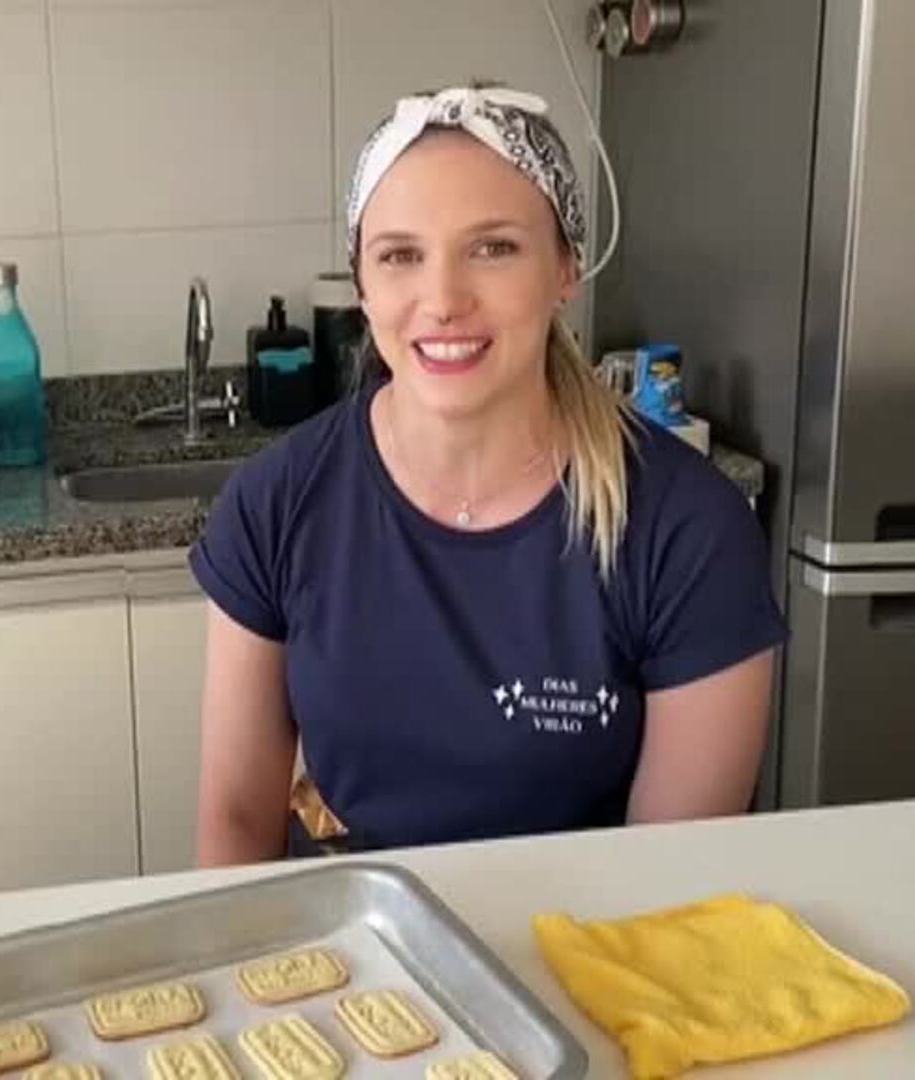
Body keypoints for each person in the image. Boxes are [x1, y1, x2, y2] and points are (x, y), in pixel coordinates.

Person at [190, 86, 787, 864]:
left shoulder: (686, 527)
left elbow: (669, 879)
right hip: (346, 954)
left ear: (566, 268)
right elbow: (237, 821)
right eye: (401, 255)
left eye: (494, 248)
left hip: (586, 955)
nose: (442, 300)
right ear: (363, 287)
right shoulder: (277, 503)